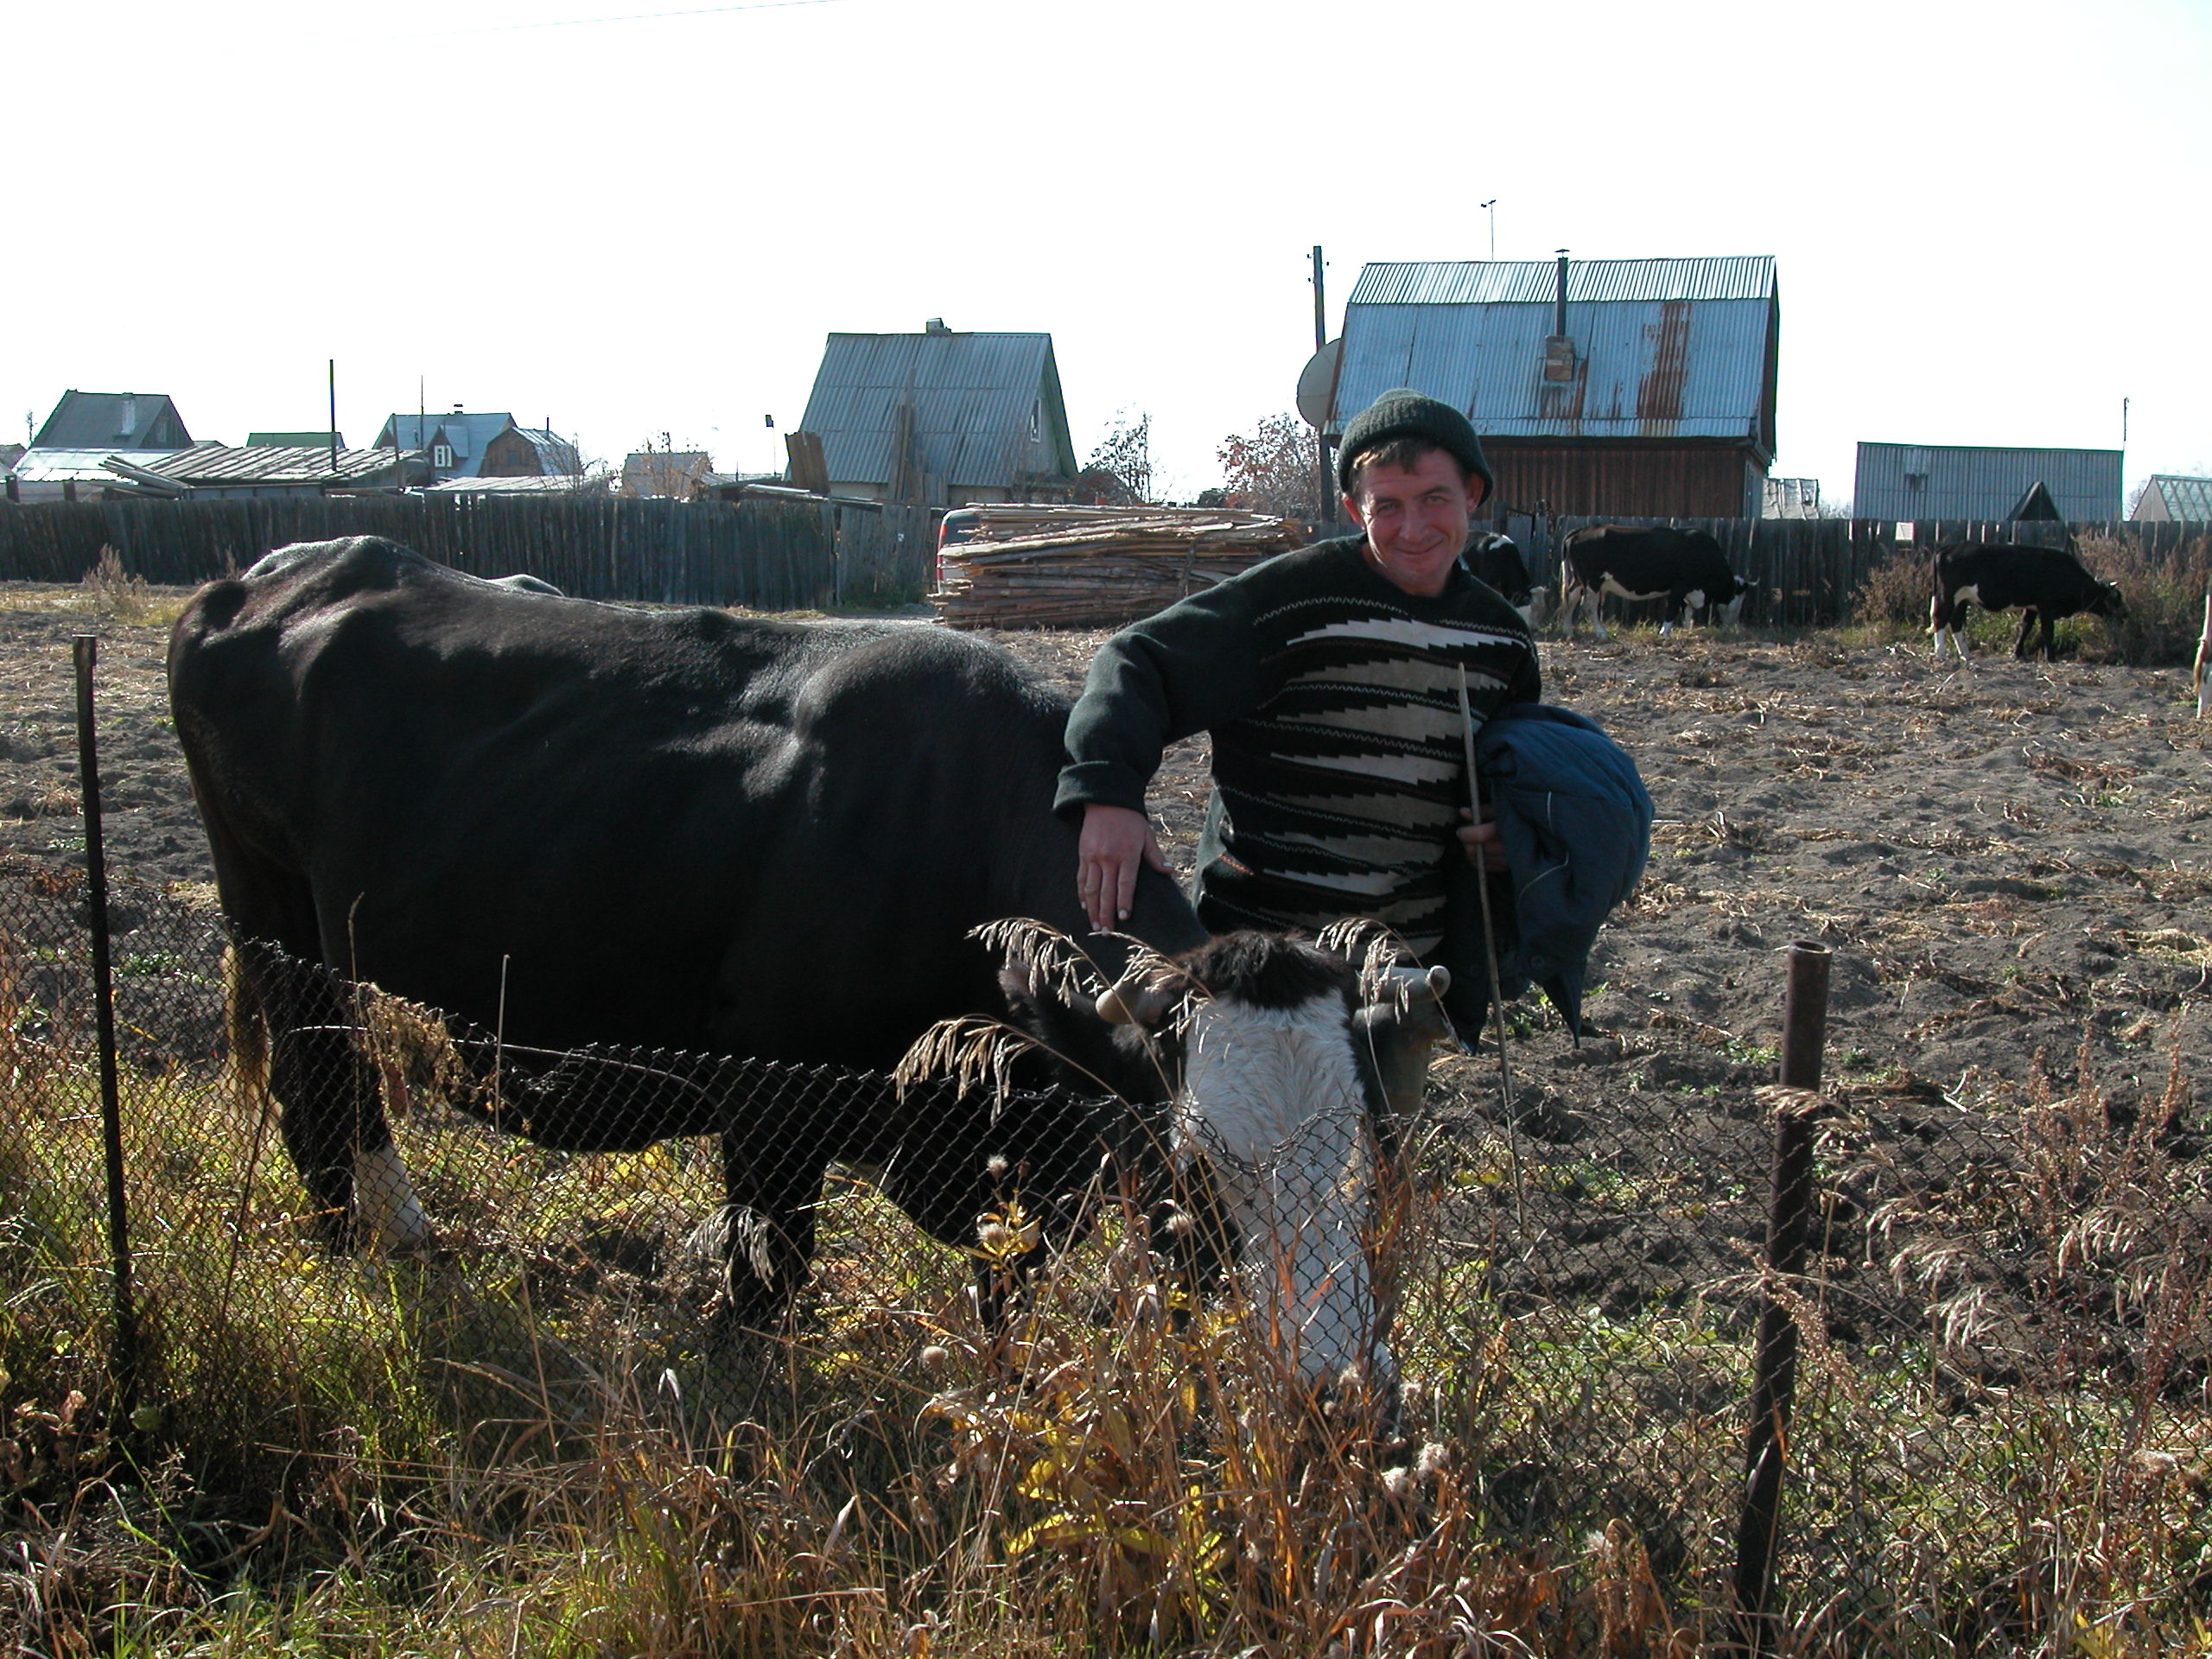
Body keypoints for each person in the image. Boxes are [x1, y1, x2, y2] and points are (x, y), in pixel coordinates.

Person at [1054, 388, 1541, 1010]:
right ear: (1352, 506)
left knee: (1380, 1110)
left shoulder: (1501, 641)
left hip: (1404, 972)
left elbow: (1515, 774)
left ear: (1472, 493)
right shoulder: (1291, 603)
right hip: (1263, 964)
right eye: (1387, 505)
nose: (1413, 529)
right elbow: (1138, 659)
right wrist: (1107, 794)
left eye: (1434, 499)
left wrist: (1511, 834)